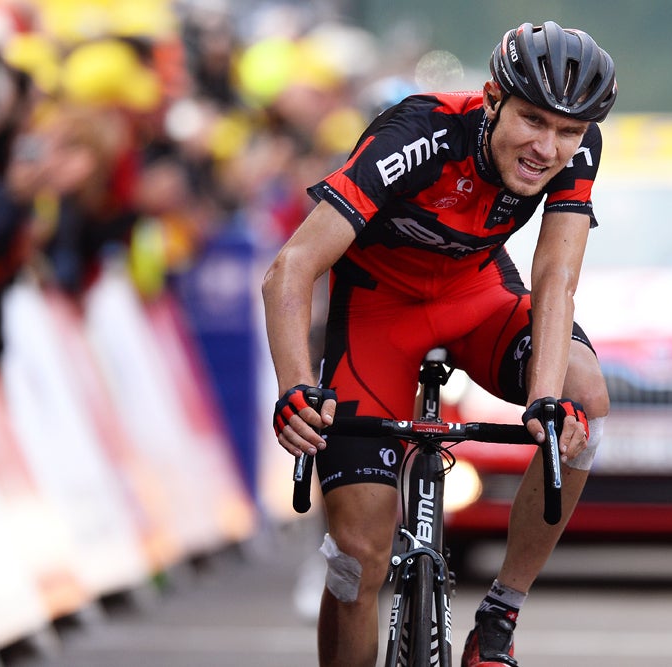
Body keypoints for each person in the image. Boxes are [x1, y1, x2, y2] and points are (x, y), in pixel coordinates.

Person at [262, 20, 615, 667]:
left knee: (585, 398)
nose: (547, 146)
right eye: (533, 120)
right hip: (378, 316)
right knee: (355, 563)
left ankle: (501, 615)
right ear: (491, 99)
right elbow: (290, 267)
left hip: (477, 298)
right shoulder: (418, 135)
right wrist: (293, 389)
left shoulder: (576, 146)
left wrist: (543, 400)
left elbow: (555, 276)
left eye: (566, 130)